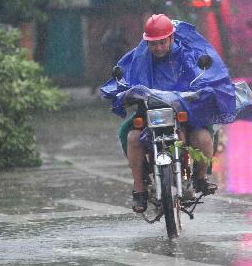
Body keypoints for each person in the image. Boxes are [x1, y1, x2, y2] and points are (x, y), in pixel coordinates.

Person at [100, 14, 242, 213]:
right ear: (147, 42)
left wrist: (204, 89)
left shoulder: (187, 55)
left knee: (203, 137)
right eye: (153, 44)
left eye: (162, 42)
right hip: (151, 111)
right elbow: (127, 78)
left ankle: (200, 177)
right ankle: (139, 189)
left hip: (186, 110)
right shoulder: (139, 58)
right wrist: (125, 92)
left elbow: (201, 77)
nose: (158, 48)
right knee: (130, 136)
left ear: (171, 38)